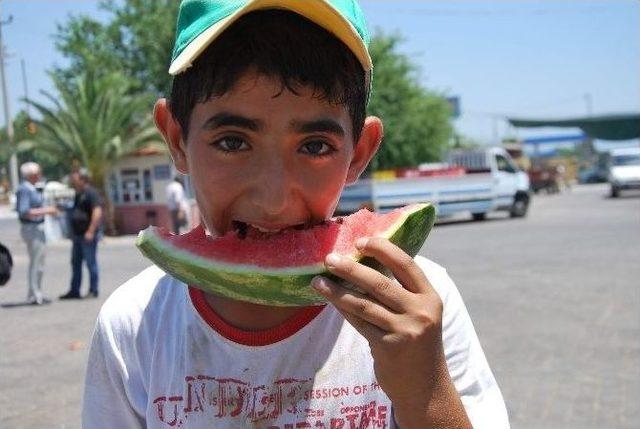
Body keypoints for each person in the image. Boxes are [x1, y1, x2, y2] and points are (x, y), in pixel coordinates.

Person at [83, 2, 509, 428]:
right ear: (177, 138)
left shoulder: (418, 309)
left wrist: (426, 391)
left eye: (315, 146)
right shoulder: (134, 327)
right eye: (232, 143)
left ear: (359, 151)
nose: (274, 199)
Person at [15, 162, 57, 305]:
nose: (39, 175)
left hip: (37, 228)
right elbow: (24, 211)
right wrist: (47, 211)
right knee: (36, 263)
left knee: (40, 263)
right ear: (31, 174)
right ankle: (34, 294)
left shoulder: (33, 188)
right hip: (31, 228)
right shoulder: (25, 189)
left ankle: (36, 291)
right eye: (37, 173)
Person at [59, 168, 103, 300]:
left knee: (91, 263)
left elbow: (97, 212)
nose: (73, 181)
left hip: (87, 235)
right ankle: (74, 290)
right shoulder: (77, 194)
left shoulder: (91, 193)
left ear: (83, 179)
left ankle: (93, 290)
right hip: (77, 236)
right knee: (75, 263)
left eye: (75, 178)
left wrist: (91, 230)